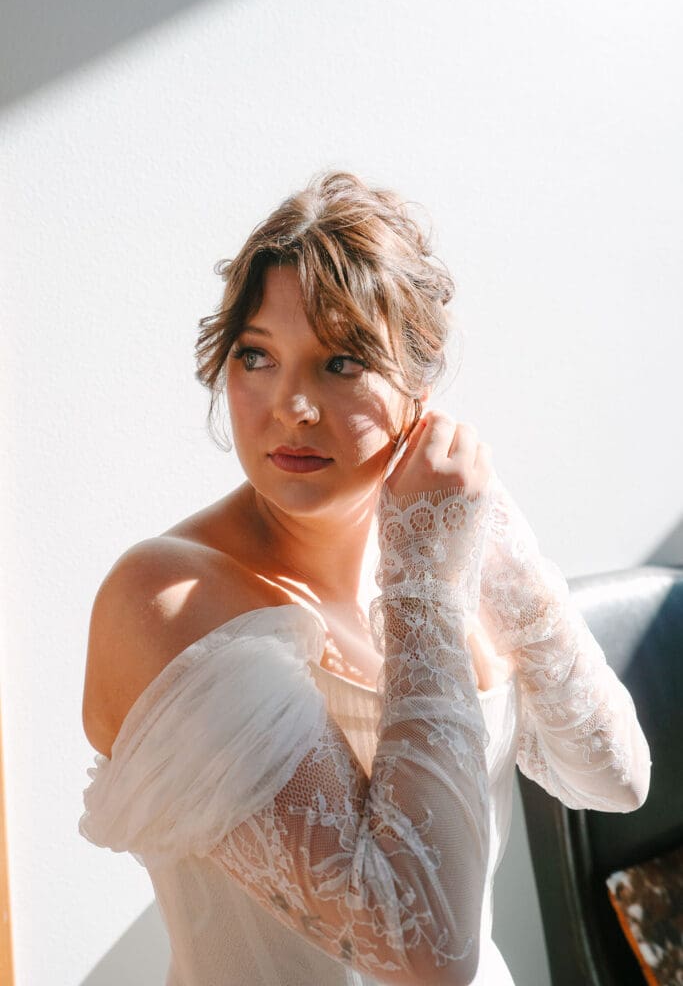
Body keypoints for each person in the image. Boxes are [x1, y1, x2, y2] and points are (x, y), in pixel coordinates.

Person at [79, 170, 651, 986]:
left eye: (339, 362)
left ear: (418, 390)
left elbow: (616, 777)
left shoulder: (439, 542)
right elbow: (425, 953)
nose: (291, 406)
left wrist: (494, 539)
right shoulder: (166, 599)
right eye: (256, 357)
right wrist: (421, 585)